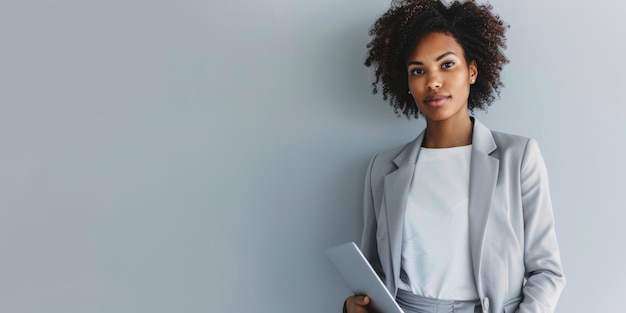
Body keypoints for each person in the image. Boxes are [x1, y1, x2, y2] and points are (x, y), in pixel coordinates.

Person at [343, 1, 565, 312]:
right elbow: (374, 272)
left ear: (472, 71)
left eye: (447, 65)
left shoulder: (518, 156)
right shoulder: (383, 167)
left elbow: (547, 272)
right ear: (407, 83)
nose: (432, 81)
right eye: (418, 71)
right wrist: (355, 305)